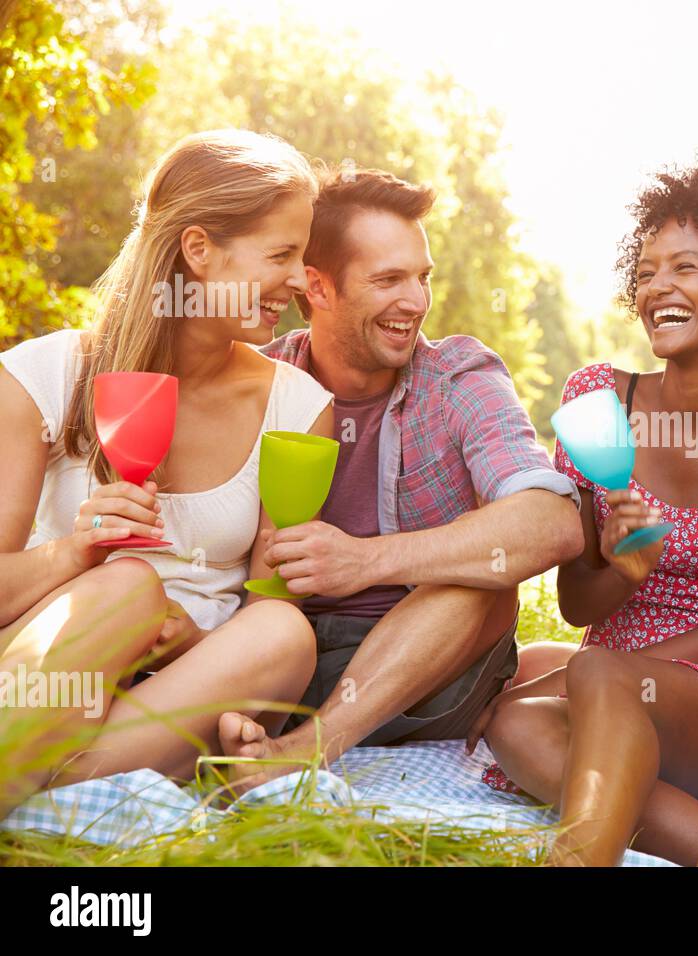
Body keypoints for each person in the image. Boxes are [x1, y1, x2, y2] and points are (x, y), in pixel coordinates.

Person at [470, 163, 698, 867]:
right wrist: (622, 572)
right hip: (608, 681)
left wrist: (584, 678)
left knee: (581, 687)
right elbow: (579, 606)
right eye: (645, 272)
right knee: (516, 725)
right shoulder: (598, 401)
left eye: (684, 267)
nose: (657, 288)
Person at [215, 165, 585, 788]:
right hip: (282, 654)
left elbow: (553, 523)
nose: (415, 301)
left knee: (481, 573)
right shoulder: (258, 378)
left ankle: (310, 748)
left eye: (422, 277)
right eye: (389, 279)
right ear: (318, 287)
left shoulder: (459, 377)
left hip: (433, 673)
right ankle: (251, 728)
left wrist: (366, 561)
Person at [0, 129, 332, 817]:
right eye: (283, 255)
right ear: (200, 250)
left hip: (181, 684)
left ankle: (31, 784)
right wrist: (76, 553)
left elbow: (271, 601)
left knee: (285, 633)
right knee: (126, 585)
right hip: (46, 663)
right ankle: (46, 784)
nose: (301, 282)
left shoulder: (297, 407)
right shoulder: (45, 375)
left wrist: (195, 640)